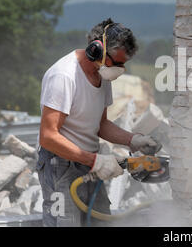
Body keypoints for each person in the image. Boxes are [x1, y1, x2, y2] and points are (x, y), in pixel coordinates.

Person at [36, 18, 160, 226]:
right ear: (96, 49)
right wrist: (95, 161)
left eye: (124, 64)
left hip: (89, 163)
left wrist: (133, 140)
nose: (120, 69)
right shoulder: (64, 77)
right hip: (59, 166)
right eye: (117, 63)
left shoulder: (101, 75)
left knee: (103, 223)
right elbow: (48, 137)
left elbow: (100, 124)